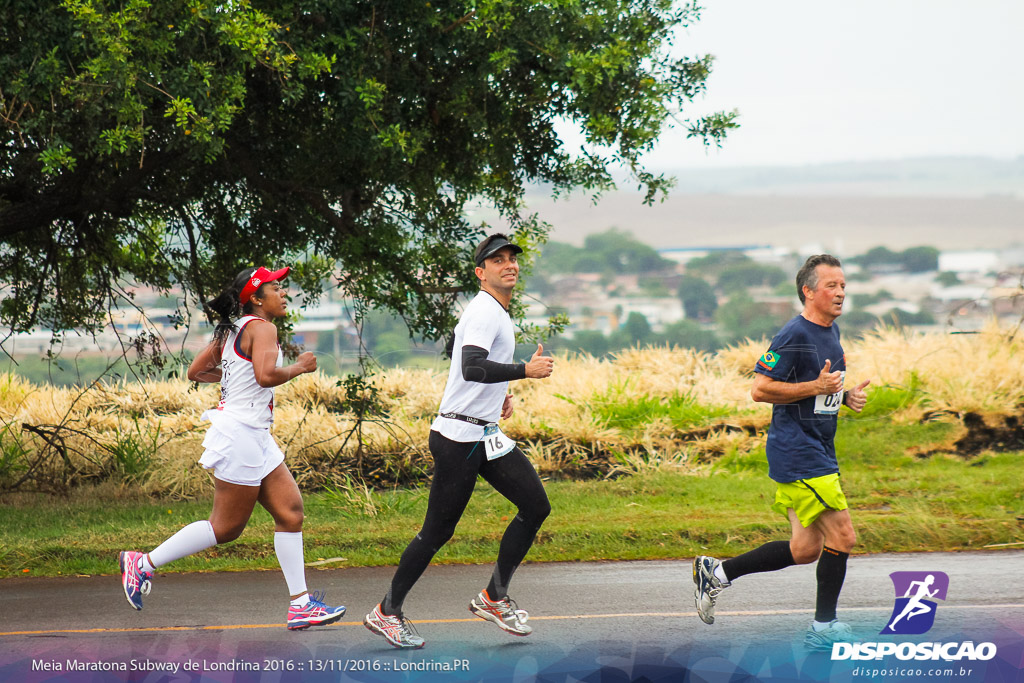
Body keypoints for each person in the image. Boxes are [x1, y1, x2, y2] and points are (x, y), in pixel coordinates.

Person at [118, 266, 345, 631]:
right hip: (241, 435)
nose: (284, 293)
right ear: (256, 298)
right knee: (225, 528)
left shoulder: (232, 330)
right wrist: (300, 367)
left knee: (290, 513)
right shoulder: (263, 328)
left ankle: (301, 605)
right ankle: (141, 564)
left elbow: (196, 372)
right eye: (276, 288)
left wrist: (236, 375)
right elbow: (266, 376)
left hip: (253, 434)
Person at [363, 233, 554, 649]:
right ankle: (386, 611)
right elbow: (470, 366)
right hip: (458, 439)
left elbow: (460, 354)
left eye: (512, 259)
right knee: (437, 532)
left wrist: (496, 396)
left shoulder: (495, 311)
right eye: (498, 260)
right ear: (480, 273)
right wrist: (525, 370)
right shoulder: (486, 310)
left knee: (536, 505)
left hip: (483, 433)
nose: (509, 265)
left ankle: (493, 597)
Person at [692, 254, 871, 651]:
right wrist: (818, 389)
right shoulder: (794, 334)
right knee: (844, 535)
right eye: (831, 286)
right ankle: (824, 630)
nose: (840, 292)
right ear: (808, 291)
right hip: (800, 453)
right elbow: (760, 389)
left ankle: (718, 572)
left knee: (805, 550)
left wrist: (844, 396)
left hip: (817, 448)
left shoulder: (831, 330)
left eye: (843, 285)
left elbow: (818, 386)